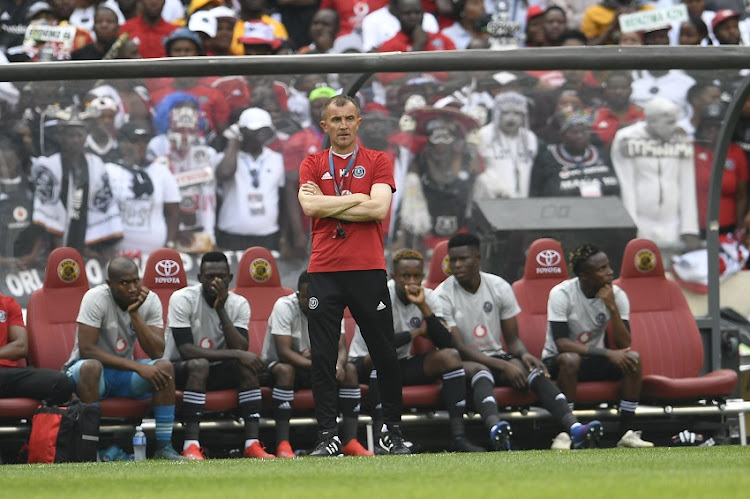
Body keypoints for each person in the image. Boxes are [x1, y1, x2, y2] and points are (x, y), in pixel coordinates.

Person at [298, 94, 409, 456]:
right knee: (323, 359)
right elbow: (309, 206)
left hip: (368, 268)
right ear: (325, 125)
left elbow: (378, 210)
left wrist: (331, 204)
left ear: (359, 123)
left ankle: (391, 431)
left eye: (349, 119)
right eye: (336, 120)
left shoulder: (378, 160)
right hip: (324, 271)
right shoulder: (312, 163)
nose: (343, 125)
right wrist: (356, 200)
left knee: (384, 353)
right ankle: (328, 436)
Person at [435, 233, 604, 450]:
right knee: (481, 371)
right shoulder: (442, 295)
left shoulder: (499, 286)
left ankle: (575, 429)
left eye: (463, 259)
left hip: (495, 357)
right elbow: (458, 347)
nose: (456, 265)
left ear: (477, 258)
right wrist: (506, 365)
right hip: (462, 363)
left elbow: (513, 341)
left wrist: (524, 356)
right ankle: (496, 429)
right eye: (453, 260)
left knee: (533, 371)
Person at [349, 249, 502, 453]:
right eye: (405, 276)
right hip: (365, 363)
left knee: (450, 357)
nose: (411, 281)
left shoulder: (428, 296)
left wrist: (424, 308)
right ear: (393, 276)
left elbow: (446, 342)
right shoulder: (379, 297)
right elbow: (383, 343)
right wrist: (417, 332)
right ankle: (381, 438)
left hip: (400, 364)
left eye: (417, 276)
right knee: (383, 359)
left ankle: (458, 437)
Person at [62, 257, 186, 460]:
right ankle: (90, 450)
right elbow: (87, 349)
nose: (132, 288)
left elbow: (157, 352)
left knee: (164, 367)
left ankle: (164, 447)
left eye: (136, 281)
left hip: (123, 376)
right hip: (88, 374)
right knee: (91, 367)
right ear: (110, 284)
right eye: (124, 283)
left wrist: (135, 314)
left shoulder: (149, 299)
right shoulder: (95, 297)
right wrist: (137, 366)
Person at [541, 243, 654, 448]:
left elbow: (625, 344)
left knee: (633, 359)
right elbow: (562, 344)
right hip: (557, 361)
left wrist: (612, 307)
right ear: (585, 276)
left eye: (608, 266)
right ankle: (567, 432)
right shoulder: (561, 294)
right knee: (570, 359)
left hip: (593, 359)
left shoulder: (617, 295)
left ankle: (626, 433)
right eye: (602, 269)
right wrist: (608, 353)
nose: (610, 272)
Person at [163, 252, 270, 460]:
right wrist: (237, 354)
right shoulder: (182, 298)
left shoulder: (239, 303)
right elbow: (185, 350)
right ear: (200, 277)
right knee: (200, 364)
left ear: (230, 278)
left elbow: (240, 345)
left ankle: (252, 443)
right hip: (180, 370)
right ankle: (191, 445)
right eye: (209, 276)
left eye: (221, 276)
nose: (215, 281)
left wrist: (221, 309)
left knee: (246, 367)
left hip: (218, 370)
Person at [262, 271, 373, 457]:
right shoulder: (283, 306)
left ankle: (350, 441)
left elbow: (342, 348)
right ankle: (282, 444)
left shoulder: (330, 305)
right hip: (285, 368)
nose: (312, 301)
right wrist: (323, 367)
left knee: (350, 370)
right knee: (285, 371)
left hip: (320, 367)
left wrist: (337, 365)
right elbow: (285, 353)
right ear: (298, 295)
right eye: (307, 297)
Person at [611, 97, 701, 255]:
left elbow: (687, 184)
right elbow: (627, 185)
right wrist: (631, 227)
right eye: (669, 122)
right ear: (651, 121)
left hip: (673, 221)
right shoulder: (626, 138)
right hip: (641, 220)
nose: (675, 126)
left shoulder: (681, 138)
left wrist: (689, 229)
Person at [31, 106, 123, 259]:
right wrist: (59, 245)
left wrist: (91, 245)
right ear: (61, 137)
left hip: (88, 240)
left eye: (79, 135)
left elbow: (102, 205)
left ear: (85, 137)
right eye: (70, 135)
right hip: (54, 242)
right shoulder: (49, 166)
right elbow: (47, 206)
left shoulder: (95, 165)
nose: (75, 140)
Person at [215, 107, 287, 252]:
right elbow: (225, 173)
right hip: (231, 236)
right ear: (243, 131)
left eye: (264, 130)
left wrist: (284, 237)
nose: (261, 134)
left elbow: (283, 200)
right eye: (255, 130)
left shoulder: (277, 159)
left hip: (268, 237)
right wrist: (233, 144)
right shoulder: (227, 158)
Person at [107, 121, 181, 255]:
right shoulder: (109, 170)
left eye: (145, 141)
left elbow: (174, 212)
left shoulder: (161, 171)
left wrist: (169, 244)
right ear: (122, 144)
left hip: (154, 253)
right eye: (135, 141)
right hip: (116, 252)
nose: (141, 146)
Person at [0, 292, 74, 404]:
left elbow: (21, 347)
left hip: (7, 376)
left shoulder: (8, 303)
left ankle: (43, 418)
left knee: (61, 383)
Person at [530, 109, 620, 198]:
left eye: (584, 131)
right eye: (574, 132)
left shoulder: (603, 155)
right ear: (562, 135)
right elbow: (535, 192)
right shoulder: (547, 159)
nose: (580, 136)